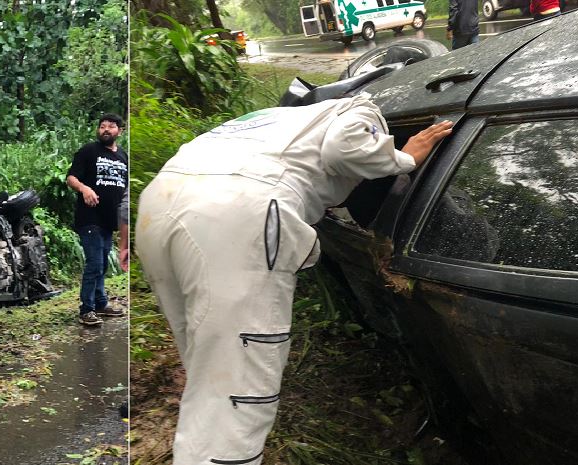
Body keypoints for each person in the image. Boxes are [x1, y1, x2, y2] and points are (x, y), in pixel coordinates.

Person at [135, 95, 453, 465]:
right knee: (239, 380)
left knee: (204, 354)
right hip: (236, 211)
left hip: (160, 202)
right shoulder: (359, 107)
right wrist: (405, 157)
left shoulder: (274, 117)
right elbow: (344, 147)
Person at [66, 114, 129, 326]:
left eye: (111, 127)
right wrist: (84, 188)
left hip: (108, 220)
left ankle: (101, 304)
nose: (106, 130)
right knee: (95, 263)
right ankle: (87, 309)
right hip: (89, 217)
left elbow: (125, 190)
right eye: (102, 126)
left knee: (101, 264)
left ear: (120, 131)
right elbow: (71, 177)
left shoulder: (123, 156)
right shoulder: (88, 151)